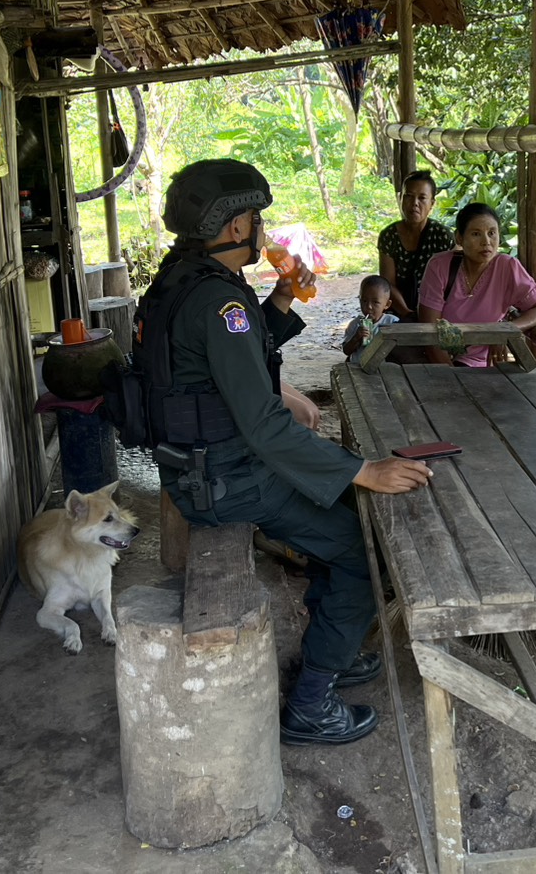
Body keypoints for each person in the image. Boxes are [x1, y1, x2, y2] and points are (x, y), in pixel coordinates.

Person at [146, 159, 432, 744]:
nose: (261, 228)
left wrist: (279, 299)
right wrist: (362, 470)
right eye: (256, 218)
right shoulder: (218, 302)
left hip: (206, 466)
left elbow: (230, 364)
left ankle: (332, 650)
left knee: (346, 520)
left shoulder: (184, 279)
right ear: (234, 226)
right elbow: (263, 424)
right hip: (227, 477)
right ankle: (311, 703)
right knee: (363, 551)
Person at [416, 203, 536, 367]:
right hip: (440, 361)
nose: (486, 242)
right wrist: (452, 375)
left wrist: (505, 330)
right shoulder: (440, 266)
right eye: (476, 234)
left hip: (482, 364)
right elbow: (430, 332)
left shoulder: (507, 267)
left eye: (492, 233)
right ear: (459, 238)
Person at [377, 170, 455, 319]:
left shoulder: (442, 236)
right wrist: (407, 313)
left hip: (436, 309)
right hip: (397, 309)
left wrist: (427, 314)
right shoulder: (389, 236)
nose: (414, 203)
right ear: (400, 198)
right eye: (409, 196)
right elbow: (388, 283)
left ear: (432, 203)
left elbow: (452, 284)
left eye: (422, 198)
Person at [341, 274, 399, 362]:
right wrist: (356, 338)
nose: (369, 306)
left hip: (383, 368)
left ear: (387, 304)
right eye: (364, 301)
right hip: (358, 367)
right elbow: (346, 351)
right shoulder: (355, 324)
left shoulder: (392, 322)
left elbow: (400, 350)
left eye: (375, 302)